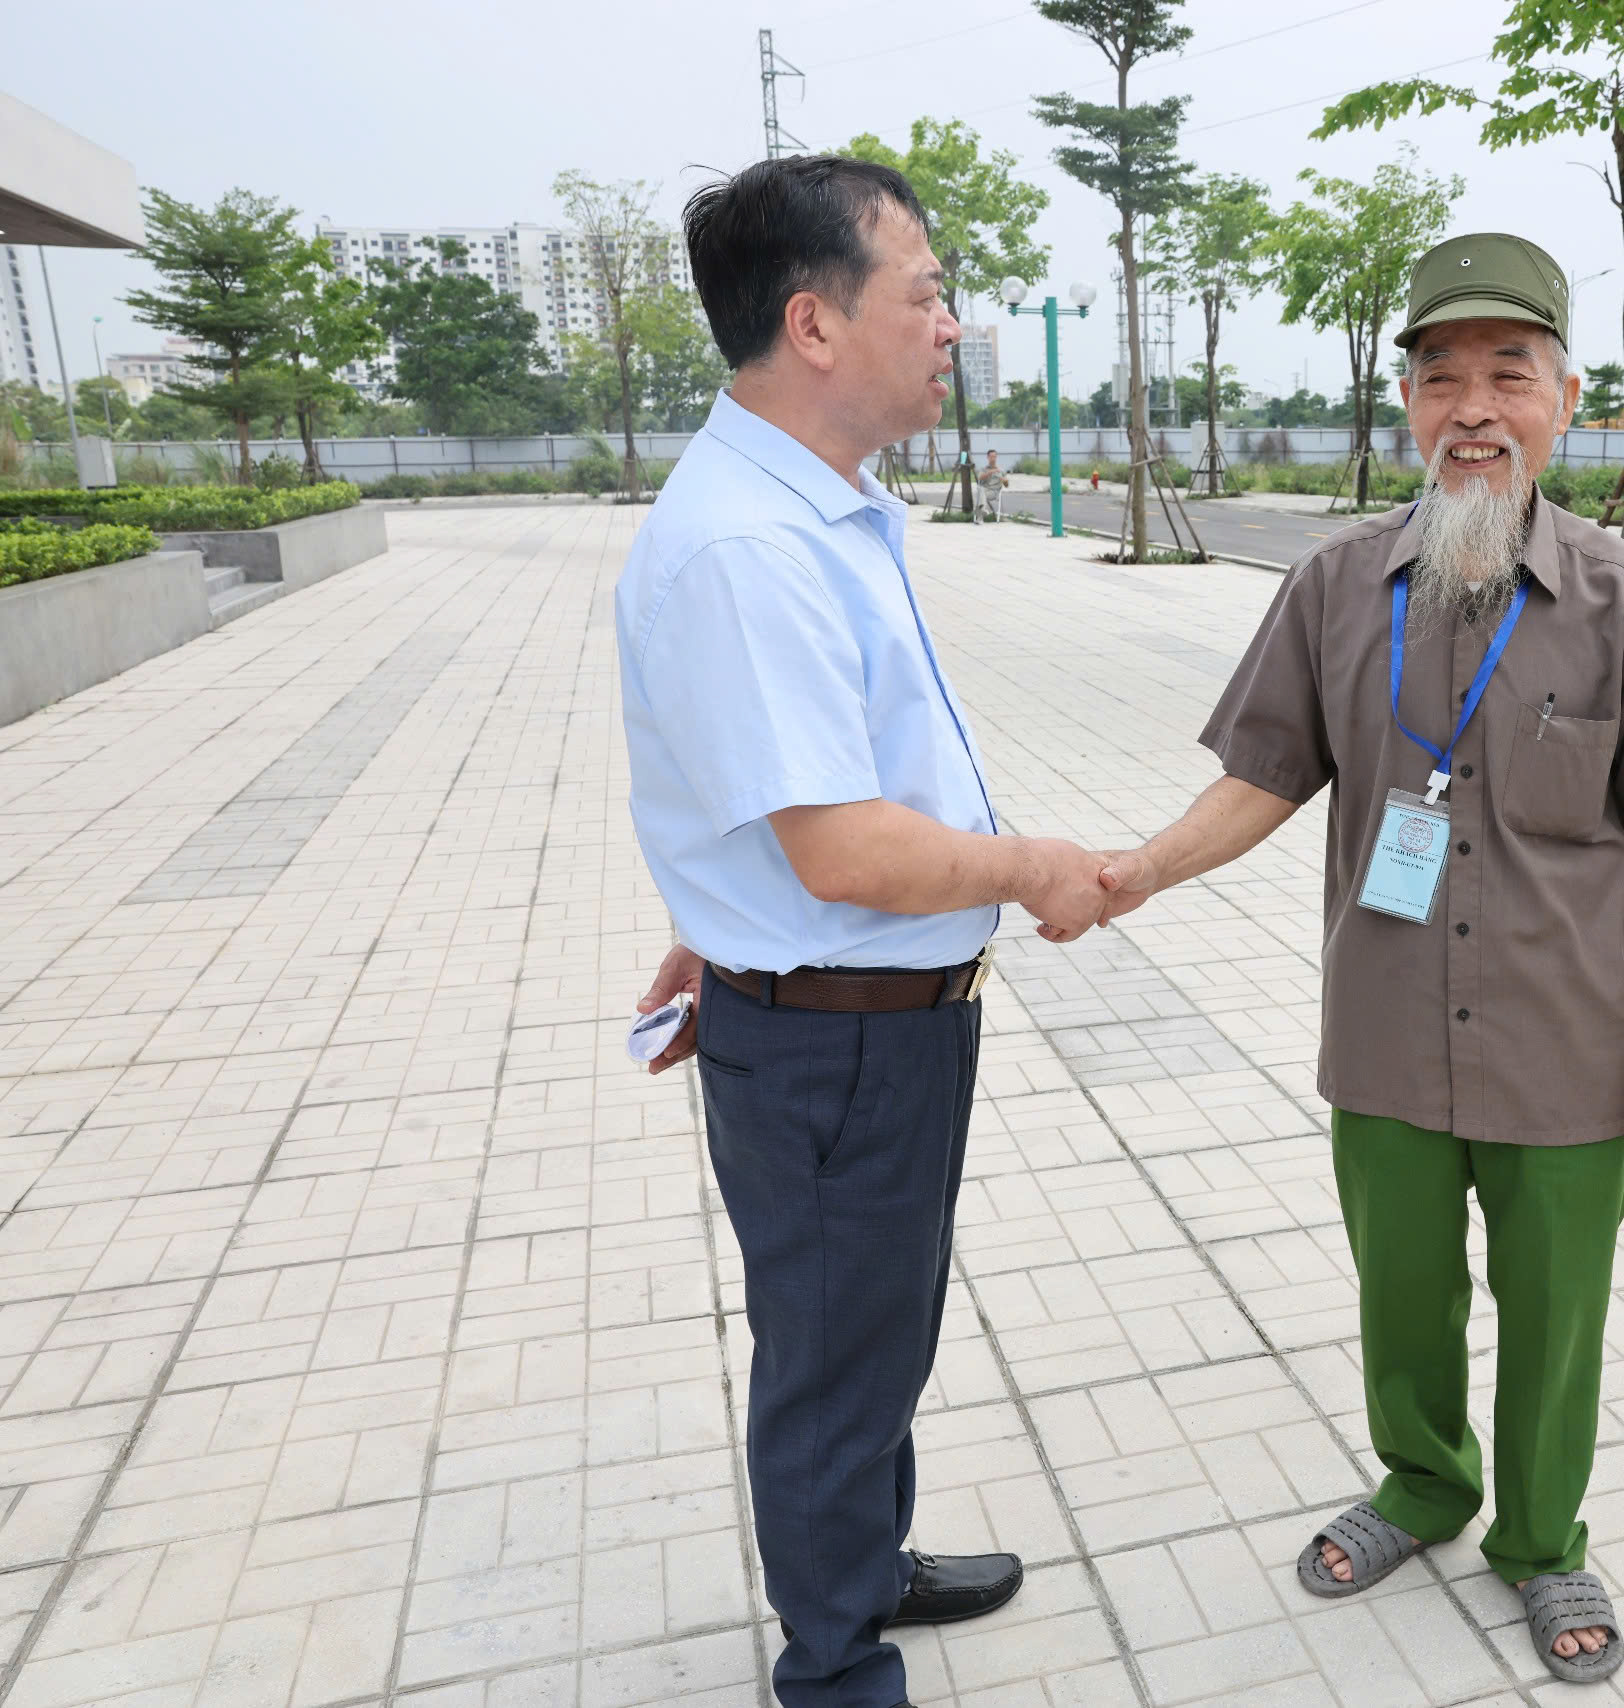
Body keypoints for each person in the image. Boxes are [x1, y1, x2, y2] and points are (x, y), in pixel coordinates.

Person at [1074, 233, 1624, 1685]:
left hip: (1563, 1038)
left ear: (1567, 400)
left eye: (1509, 374)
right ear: (1406, 406)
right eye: (1441, 378)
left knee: (1556, 1311)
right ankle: (1425, 1483)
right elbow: (1260, 777)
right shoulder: (1333, 588)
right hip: (1383, 1028)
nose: (1473, 409)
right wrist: (1138, 872)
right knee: (1402, 1289)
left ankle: (1543, 1538)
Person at [614, 154, 1113, 1708]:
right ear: (815, 323)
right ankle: (835, 1669)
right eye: (928, 294)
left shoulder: (815, 507)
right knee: (834, 1362)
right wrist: (1033, 866)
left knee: (871, 1331)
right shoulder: (750, 547)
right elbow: (836, 846)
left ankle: (866, 1566)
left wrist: (717, 916)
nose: (952, 326)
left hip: (856, 1021)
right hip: (836, 1042)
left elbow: (763, 793)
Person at [978, 447, 1006, 521]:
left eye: (994, 457)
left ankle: (980, 515)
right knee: (981, 490)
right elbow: (980, 478)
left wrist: (1005, 481)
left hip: (994, 492)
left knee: (980, 494)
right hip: (985, 490)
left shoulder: (1001, 470)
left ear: (996, 457)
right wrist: (990, 472)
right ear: (987, 457)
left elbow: (1007, 485)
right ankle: (981, 514)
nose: (993, 459)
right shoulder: (984, 469)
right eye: (991, 457)